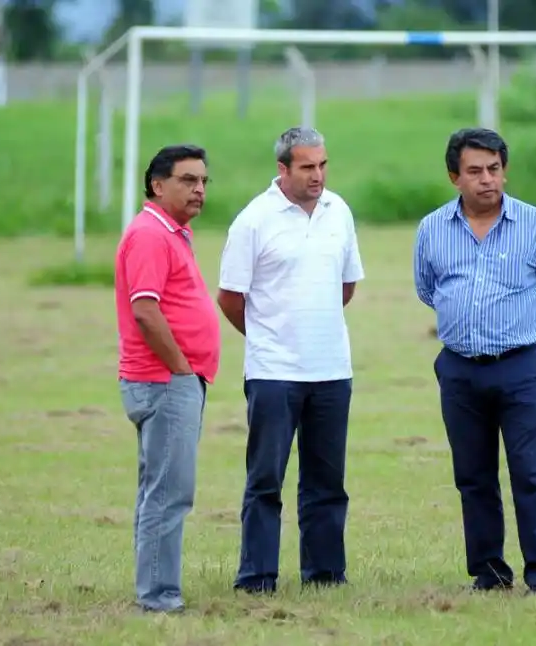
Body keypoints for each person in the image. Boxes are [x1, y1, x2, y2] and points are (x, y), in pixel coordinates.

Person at [413, 127, 536, 595]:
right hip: (460, 370)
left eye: (494, 169)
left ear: (504, 171)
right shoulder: (431, 230)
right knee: (473, 476)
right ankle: (489, 572)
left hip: (521, 367)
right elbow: (428, 289)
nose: (487, 179)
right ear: (454, 177)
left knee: (532, 473)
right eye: (475, 171)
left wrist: (523, 328)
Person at [216, 126, 365, 595]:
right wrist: (271, 336)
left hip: (332, 371)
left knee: (326, 481)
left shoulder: (338, 211)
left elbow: (346, 284)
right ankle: (257, 577)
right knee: (265, 480)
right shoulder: (253, 221)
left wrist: (313, 324)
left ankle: (324, 574)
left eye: (322, 165)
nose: (317, 175)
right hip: (273, 373)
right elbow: (230, 297)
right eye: (307, 167)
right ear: (283, 169)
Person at [114, 144, 221, 614]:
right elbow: (144, 308)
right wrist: (180, 367)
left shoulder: (173, 232)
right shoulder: (151, 235)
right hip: (164, 380)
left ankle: (153, 587)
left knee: (158, 487)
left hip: (173, 379)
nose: (198, 189)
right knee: (170, 492)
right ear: (158, 186)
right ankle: (158, 597)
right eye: (187, 180)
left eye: (202, 181)